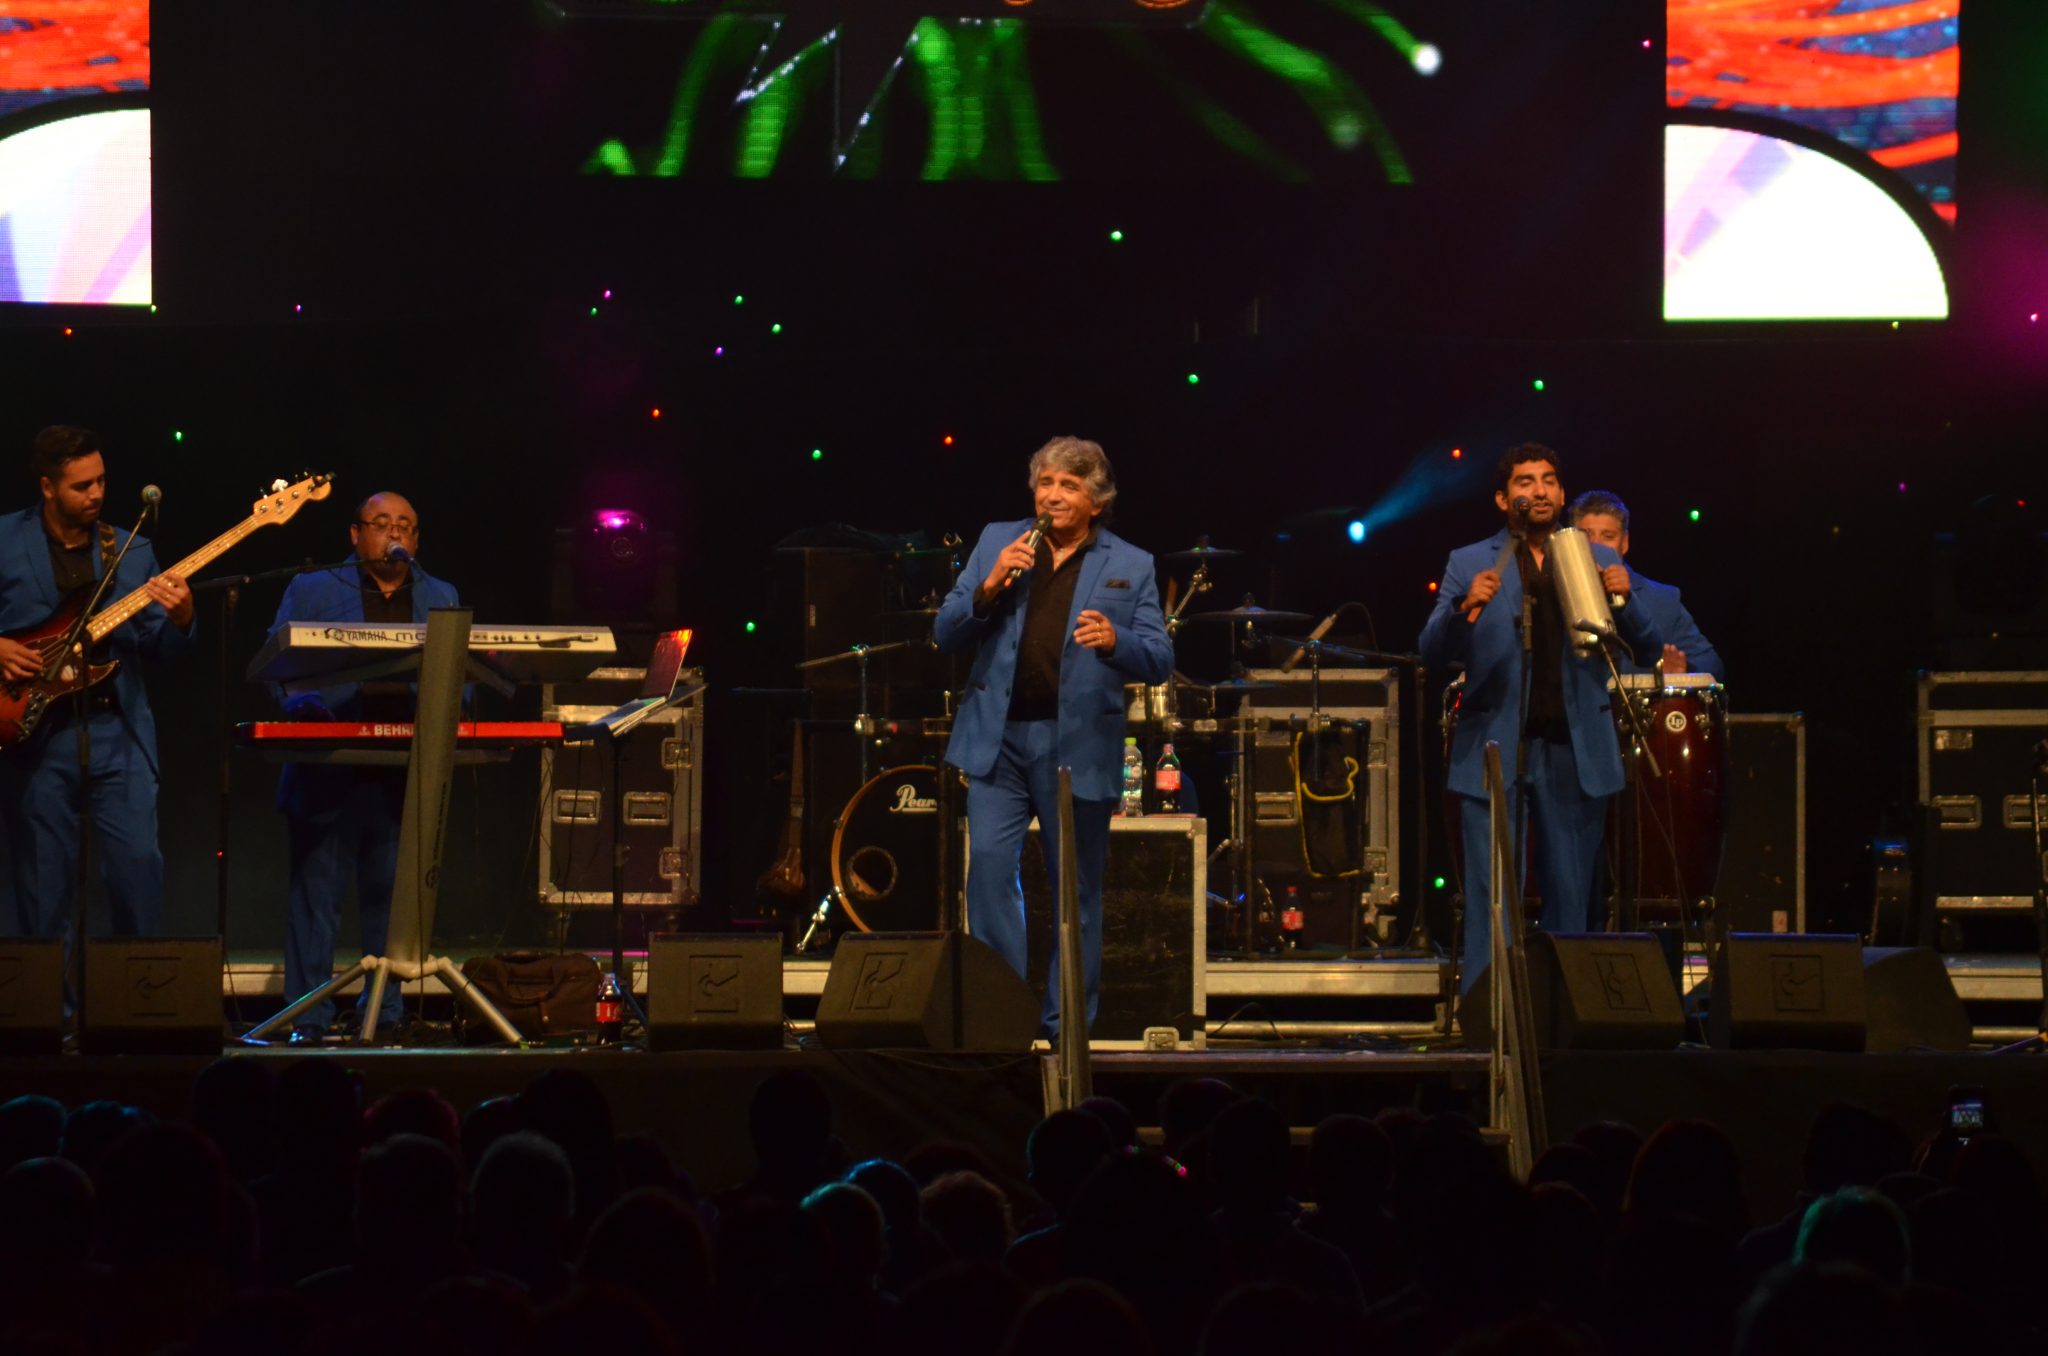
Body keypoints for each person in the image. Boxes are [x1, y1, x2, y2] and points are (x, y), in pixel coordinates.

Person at [935, 437, 1172, 1036]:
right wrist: (989, 587)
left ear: (1096, 500)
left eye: (1069, 486)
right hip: (998, 742)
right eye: (1046, 483)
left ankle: (1067, 1027)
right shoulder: (998, 540)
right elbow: (946, 631)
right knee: (988, 871)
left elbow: (1160, 657)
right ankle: (1002, 1017)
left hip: (1076, 746)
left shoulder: (1131, 563)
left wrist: (1118, 643)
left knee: (1076, 889)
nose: (1053, 496)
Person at [1419, 444, 1660, 992]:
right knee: (1493, 896)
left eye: (1550, 480)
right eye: (1526, 482)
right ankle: (1488, 1018)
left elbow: (1645, 648)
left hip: (1574, 750)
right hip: (1495, 749)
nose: (1541, 490)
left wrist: (1629, 599)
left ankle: (1565, 1018)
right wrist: (1463, 611)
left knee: (1572, 898)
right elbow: (1430, 650)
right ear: (1504, 498)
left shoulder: (1596, 559)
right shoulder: (1471, 561)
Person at [267, 493, 458, 1042]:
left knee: (390, 901)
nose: (394, 532)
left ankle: (386, 1016)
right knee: (316, 898)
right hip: (328, 763)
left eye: (406, 524)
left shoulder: (440, 595)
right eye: (382, 523)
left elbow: (461, 675)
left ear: (416, 541)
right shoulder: (313, 588)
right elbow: (280, 663)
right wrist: (303, 706)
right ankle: (309, 1019)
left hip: (403, 770)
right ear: (356, 534)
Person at [0, 425, 192, 942]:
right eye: (82, 486)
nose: (97, 495)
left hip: (117, 731)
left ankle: (133, 1010)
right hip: (36, 738)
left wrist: (180, 620)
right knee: (43, 889)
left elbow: (158, 649)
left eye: (102, 481)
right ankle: (52, 1021)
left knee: (138, 871)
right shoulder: (4, 540)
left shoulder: (131, 550)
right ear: (47, 487)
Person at [1568, 489, 1724, 680]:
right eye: (1586, 535)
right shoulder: (1558, 591)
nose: (1596, 545)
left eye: (1608, 536)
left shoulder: (1663, 599)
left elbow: (1712, 665)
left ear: (1624, 543)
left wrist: (1684, 669)